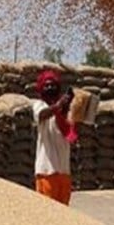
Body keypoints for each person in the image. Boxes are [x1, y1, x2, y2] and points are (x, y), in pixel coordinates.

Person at [32, 70, 77, 205]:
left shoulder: (65, 110)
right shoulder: (39, 105)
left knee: (64, 212)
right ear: (41, 89)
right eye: (46, 85)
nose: (50, 88)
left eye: (53, 85)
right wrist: (58, 105)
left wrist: (69, 105)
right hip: (46, 171)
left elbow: (73, 129)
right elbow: (42, 115)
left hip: (64, 171)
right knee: (47, 211)